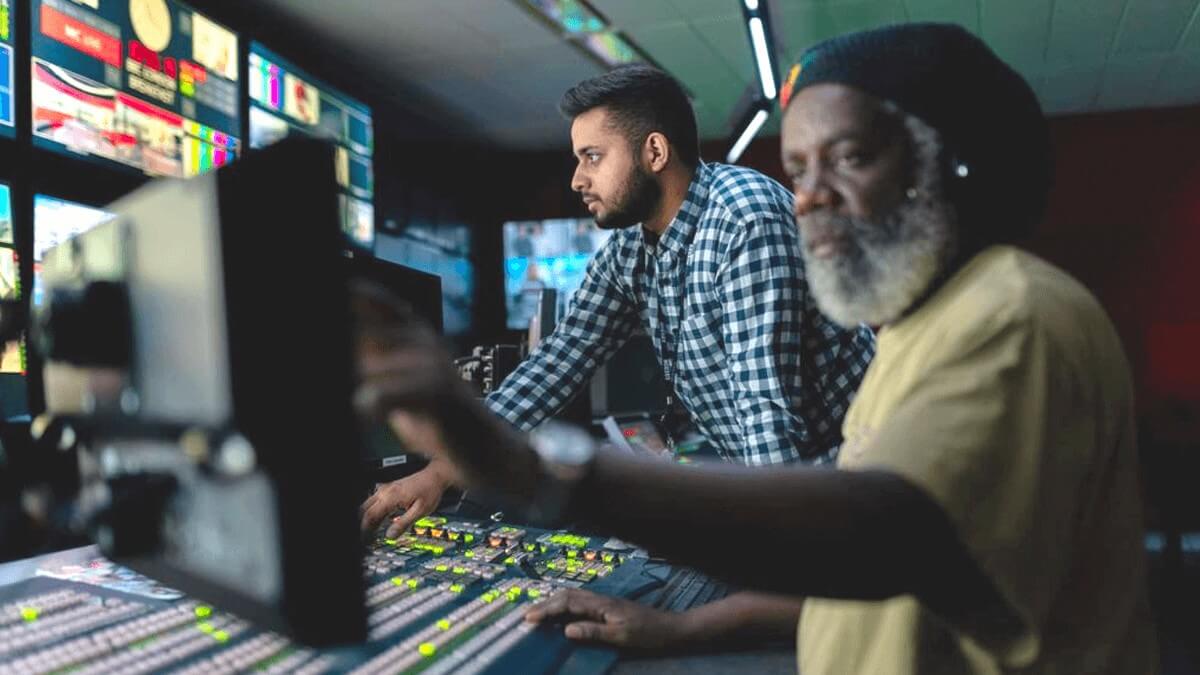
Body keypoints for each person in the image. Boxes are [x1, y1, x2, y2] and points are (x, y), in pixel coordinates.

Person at [356, 23, 1157, 674]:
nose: (804, 197)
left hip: (798, 519)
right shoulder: (920, 328)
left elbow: (862, 520)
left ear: (952, 161)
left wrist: (542, 472)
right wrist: (447, 463)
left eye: (844, 159)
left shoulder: (1007, 313)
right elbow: (566, 354)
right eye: (798, 166)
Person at [362, 65, 873, 531]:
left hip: (848, 486)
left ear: (654, 152)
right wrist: (441, 471)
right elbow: (558, 362)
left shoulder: (743, 220)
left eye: (593, 157)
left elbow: (767, 412)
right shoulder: (633, 248)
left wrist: (775, 560)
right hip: (784, 487)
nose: (577, 179)